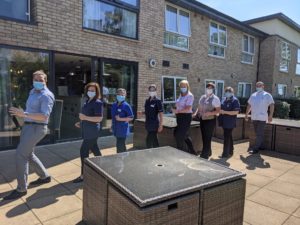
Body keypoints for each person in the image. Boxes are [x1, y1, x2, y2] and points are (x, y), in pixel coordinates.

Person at [4, 70, 55, 200]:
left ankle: (21, 188)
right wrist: (23, 113)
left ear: (45, 81)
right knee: (28, 154)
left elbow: (44, 116)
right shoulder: (32, 92)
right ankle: (44, 176)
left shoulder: (46, 95)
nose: (38, 82)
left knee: (21, 154)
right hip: (28, 127)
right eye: (36, 80)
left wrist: (24, 114)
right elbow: (31, 109)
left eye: (41, 80)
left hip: (37, 128)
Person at [73, 82, 103, 183]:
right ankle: (103, 168)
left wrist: (85, 118)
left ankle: (84, 175)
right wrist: (81, 123)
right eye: (89, 90)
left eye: (93, 90)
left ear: (96, 92)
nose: (90, 92)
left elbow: (99, 118)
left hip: (92, 132)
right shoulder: (87, 101)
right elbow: (88, 116)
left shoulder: (97, 102)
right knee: (95, 150)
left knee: (83, 152)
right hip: (87, 130)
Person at [245, 81, 274, 154]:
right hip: (254, 117)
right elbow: (249, 105)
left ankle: (255, 149)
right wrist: (246, 114)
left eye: (260, 85)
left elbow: (272, 105)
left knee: (259, 133)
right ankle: (262, 146)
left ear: (263, 86)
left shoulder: (267, 95)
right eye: (257, 86)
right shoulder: (253, 95)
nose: (258, 87)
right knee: (257, 133)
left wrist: (270, 115)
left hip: (262, 118)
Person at [194, 82, 221, 159]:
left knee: (207, 137)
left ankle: (204, 154)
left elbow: (218, 111)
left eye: (211, 88)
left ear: (213, 89)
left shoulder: (215, 98)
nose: (209, 89)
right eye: (208, 88)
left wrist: (210, 113)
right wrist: (196, 113)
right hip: (202, 119)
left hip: (210, 120)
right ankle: (209, 151)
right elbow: (199, 107)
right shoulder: (202, 97)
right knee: (204, 136)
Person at [172, 80, 196, 155]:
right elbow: (178, 105)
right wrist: (174, 109)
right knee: (185, 135)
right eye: (181, 86)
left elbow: (188, 108)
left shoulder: (190, 95)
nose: (183, 88)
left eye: (184, 86)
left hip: (186, 117)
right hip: (179, 117)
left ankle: (180, 153)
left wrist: (178, 111)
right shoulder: (181, 94)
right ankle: (192, 152)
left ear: (187, 86)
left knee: (178, 135)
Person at [218, 87, 240, 158]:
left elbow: (236, 112)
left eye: (229, 91)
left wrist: (225, 112)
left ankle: (225, 154)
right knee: (229, 136)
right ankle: (231, 150)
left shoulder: (235, 100)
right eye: (226, 91)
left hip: (230, 122)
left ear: (232, 92)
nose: (227, 93)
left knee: (226, 137)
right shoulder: (223, 99)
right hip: (223, 121)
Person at [111, 88, 134, 153]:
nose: (120, 96)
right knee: (120, 145)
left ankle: (120, 160)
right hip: (116, 128)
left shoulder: (126, 105)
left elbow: (131, 117)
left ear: (125, 95)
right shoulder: (114, 105)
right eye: (119, 94)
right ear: (116, 95)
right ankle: (124, 159)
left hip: (122, 129)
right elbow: (113, 117)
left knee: (120, 145)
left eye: (122, 94)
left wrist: (120, 119)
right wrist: (112, 126)